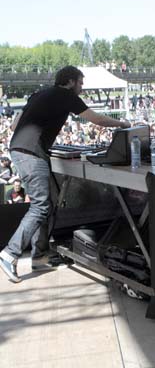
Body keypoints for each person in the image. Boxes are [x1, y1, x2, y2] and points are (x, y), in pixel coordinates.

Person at [0, 66, 131, 283]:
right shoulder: (66, 95)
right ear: (70, 81)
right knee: (41, 205)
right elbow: (96, 119)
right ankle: (9, 254)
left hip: (23, 150)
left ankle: (39, 256)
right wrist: (123, 123)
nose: (81, 87)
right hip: (31, 153)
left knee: (48, 203)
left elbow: (14, 125)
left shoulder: (40, 93)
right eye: (80, 83)